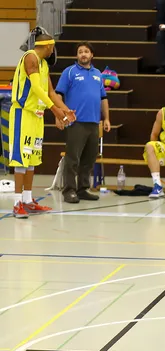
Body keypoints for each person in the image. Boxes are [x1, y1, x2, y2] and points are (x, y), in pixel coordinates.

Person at [10, 33, 76, 219]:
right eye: (52, 47)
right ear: (48, 46)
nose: (53, 51)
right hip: (23, 114)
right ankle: (17, 204)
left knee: (32, 159)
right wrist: (55, 110)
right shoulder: (30, 57)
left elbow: (50, 92)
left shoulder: (44, 64)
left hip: (37, 116)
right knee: (21, 159)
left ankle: (28, 200)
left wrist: (65, 110)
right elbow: (37, 89)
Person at [55, 41, 111, 204]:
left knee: (89, 159)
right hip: (76, 123)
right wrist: (59, 116)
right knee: (73, 158)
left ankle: (83, 188)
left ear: (92, 55)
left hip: (94, 122)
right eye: (80, 52)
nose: (83, 54)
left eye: (86, 51)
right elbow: (58, 95)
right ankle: (69, 190)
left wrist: (106, 118)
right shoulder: (70, 72)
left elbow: (103, 98)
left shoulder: (98, 74)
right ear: (77, 55)